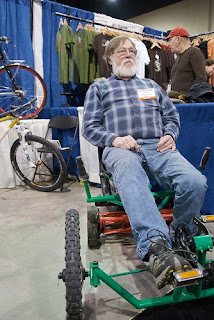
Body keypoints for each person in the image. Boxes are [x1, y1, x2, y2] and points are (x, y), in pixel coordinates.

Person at [82, 36, 207, 289]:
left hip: (157, 146)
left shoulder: (151, 85)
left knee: (195, 181)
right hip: (121, 148)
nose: (128, 55)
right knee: (129, 170)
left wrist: (170, 135)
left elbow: (172, 116)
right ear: (109, 59)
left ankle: (180, 237)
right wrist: (114, 139)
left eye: (131, 52)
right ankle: (157, 248)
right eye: (121, 52)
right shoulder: (100, 88)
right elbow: (90, 127)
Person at [167, 27, 207, 96]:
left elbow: (201, 78)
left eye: (170, 40)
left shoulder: (194, 52)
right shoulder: (180, 56)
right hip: (178, 101)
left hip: (186, 103)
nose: (168, 44)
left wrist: (189, 97)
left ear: (178, 39)